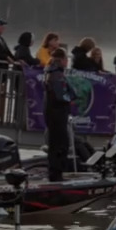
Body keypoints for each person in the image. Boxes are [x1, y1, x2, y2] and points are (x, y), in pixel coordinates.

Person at [43, 48, 73, 182]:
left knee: (56, 143)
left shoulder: (53, 72)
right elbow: (60, 96)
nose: (67, 62)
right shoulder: (56, 75)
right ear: (61, 60)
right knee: (60, 144)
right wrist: (70, 98)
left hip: (54, 112)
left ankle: (55, 172)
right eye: (66, 59)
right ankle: (56, 174)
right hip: (57, 113)